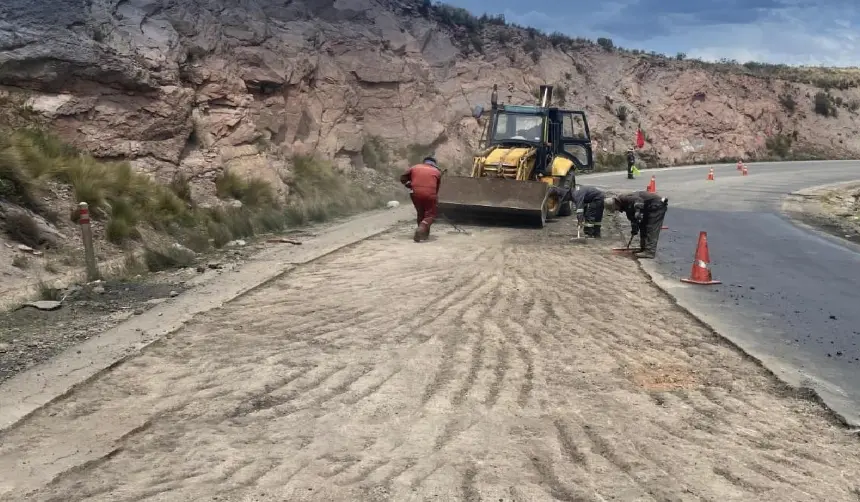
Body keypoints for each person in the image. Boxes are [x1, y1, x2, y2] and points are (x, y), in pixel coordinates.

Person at [604, 191, 669, 259]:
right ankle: (643, 248)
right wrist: (634, 227)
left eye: (615, 208)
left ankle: (650, 252)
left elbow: (638, 201)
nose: (617, 210)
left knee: (651, 229)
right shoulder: (624, 204)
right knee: (643, 227)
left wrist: (637, 211)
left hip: (657, 206)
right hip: (649, 208)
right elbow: (632, 216)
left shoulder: (626, 198)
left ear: (615, 204)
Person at [400, 155, 442, 242]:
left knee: (420, 213)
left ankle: (423, 234)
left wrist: (409, 184)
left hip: (415, 194)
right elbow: (436, 188)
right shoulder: (437, 172)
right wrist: (435, 199)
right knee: (430, 215)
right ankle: (421, 229)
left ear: (424, 162)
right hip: (430, 194)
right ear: (434, 164)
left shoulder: (414, 167)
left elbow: (402, 178)